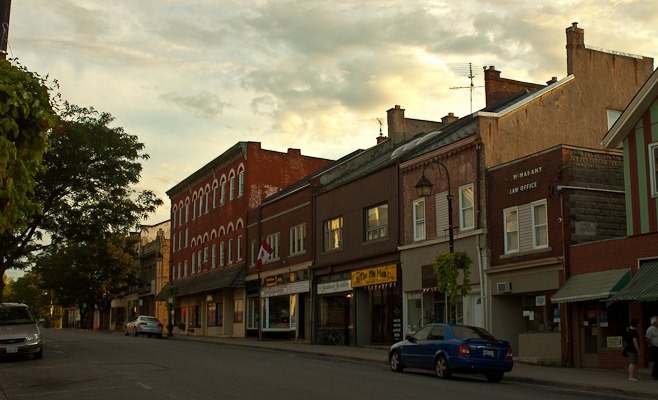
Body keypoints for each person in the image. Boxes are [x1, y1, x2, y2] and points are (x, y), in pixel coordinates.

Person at [646, 315, 658, 380]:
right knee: (656, 361)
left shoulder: (657, 328)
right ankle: (654, 375)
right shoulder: (651, 328)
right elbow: (647, 338)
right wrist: (651, 344)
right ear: (655, 322)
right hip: (654, 347)